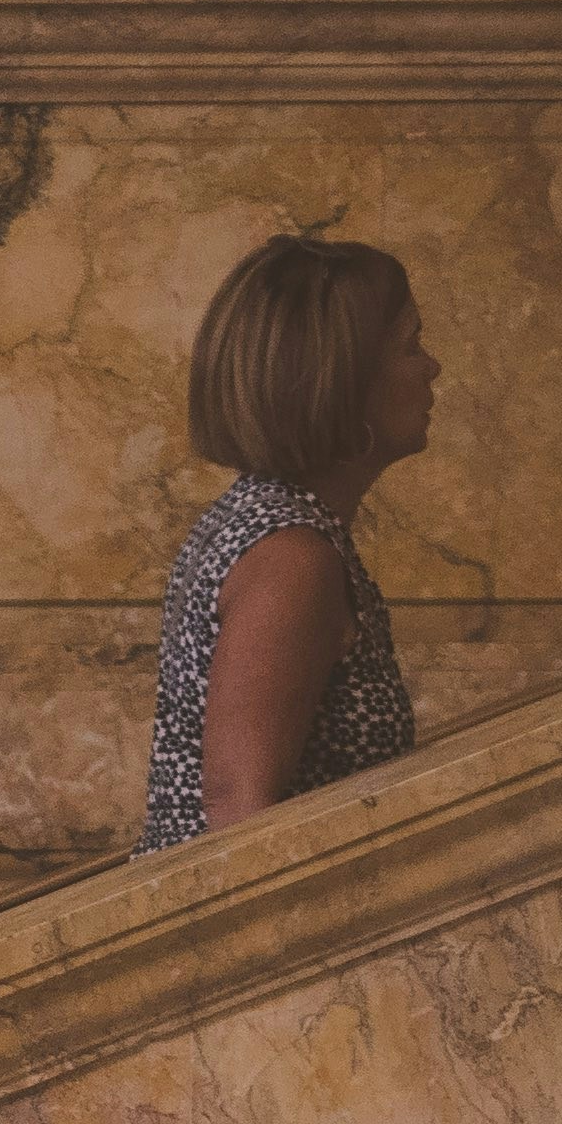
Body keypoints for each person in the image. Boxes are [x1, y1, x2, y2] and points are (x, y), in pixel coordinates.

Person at [141, 236, 433, 851]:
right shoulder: (291, 556)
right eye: (410, 347)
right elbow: (240, 814)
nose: (432, 367)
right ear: (346, 382)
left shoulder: (274, 522)